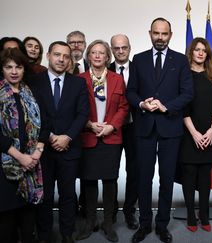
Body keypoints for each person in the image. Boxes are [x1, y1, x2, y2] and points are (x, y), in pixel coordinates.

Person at [126, 17, 193, 243]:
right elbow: (131, 92)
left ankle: (162, 225)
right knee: (144, 178)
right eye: (156, 33)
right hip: (144, 127)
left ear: (170, 35)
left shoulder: (181, 60)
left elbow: (187, 93)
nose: (160, 38)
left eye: (164, 34)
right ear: (150, 33)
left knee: (166, 179)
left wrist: (167, 107)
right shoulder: (138, 59)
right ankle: (144, 224)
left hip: (170, 127)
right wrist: (142, 104)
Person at [31, 41, 89, 243]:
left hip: (69, 148)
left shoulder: (78, 83)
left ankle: (67, 233)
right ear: (48, 55)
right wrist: (50, 136)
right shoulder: (35, 82)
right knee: (45, 196)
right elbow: (34, 114)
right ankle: (44, 234)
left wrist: (68, 137)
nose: (61, 59)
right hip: (43, 149)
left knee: (67, 195)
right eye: (57, 55)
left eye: (66, 56)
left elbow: (83, 114)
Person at [75, 40, 128, 242]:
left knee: (109, 180)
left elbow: (123, 107)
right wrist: (88, 124)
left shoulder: (117, 79)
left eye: (102, 53)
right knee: (88, 181)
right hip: (88, 136)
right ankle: (90, 221)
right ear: (88, 56)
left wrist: (111, 126)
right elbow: (75, 108)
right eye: (94, 53)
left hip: (111, 137)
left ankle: (107, 222)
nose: (97, 56)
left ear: (108, 57)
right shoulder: (79, 80)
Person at [0, 48, 48, 243]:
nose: (13, 71)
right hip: (6, 166)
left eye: (18, 67)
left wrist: (36, 153)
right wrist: (20, 157)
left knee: (29, 220)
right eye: (8, 67)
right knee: (6, 224)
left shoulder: (32, 92)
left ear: (23, 69)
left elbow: (46, 123)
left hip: (32, 165)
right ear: (2, 69)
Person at [179, 37, 212, 233]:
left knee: (205, 176)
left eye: (204, 50)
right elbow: (182, 108)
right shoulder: (183, 75)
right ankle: (190, 215)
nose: (200, 53)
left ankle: (204, 215)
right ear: (191, 52)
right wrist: (194, 133)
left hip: (209, 133)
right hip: (188, 133)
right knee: (189, 175)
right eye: (197, 49)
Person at [108, 34, 139, 229]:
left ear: (129, 48)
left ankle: (129, 211)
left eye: (124, 47)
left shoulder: (139, 69)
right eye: (116, 48)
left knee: (134, 171)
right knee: (110, 171)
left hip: (135, 127)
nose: (120, 51)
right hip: (112, 128)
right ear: (112, 50)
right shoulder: (105, 69)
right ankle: (110, 213)